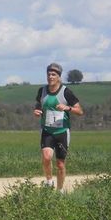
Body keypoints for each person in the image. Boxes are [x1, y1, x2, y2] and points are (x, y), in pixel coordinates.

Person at [33, 62, 84, 192]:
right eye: (49, 74)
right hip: (47, 130)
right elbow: (39, 105)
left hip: (62, 132)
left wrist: (67, 108)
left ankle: (60, 190)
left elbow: (80, 111)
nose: (50, 77)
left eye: (53, 74)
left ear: (59, 77)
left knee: (60, 164)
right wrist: (37, 111)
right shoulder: (42, 91)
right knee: (46, 157)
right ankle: (49, 181)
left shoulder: (66, 92)